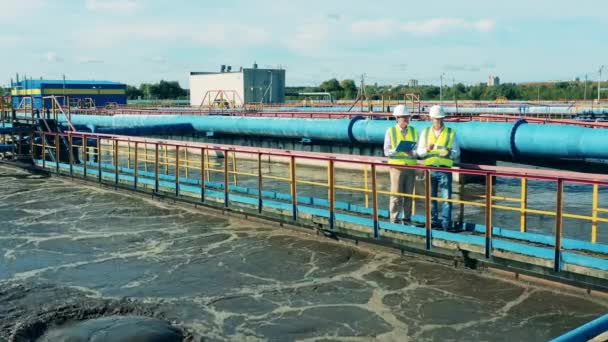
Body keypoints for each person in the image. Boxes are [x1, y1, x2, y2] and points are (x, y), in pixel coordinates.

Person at [416, 105, 460, 230]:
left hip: (445, 169)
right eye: (436, 119)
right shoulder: (425, 132)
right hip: (430, 169)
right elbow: (419, 152)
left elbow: (457, 152)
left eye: (440, 119)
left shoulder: (451, 133)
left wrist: (450, 152)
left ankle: (446, 223)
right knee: (431, 197)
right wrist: (427, 149)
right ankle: (432, 221)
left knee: (446, 198)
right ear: (431, 119)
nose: (438, 121)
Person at [384, 105, 419, 224]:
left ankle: (407, 218)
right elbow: (386, 151)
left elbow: (418, 150)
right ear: (397, 118)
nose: (406, 119)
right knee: (396, 195)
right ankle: (394, 218)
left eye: (407, 117)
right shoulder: (390, 131)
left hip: (410, 168)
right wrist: (397, 149)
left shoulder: (414, 131)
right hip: (396, 168)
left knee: (409, 195)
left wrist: (411, 153)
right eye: (404, 117)